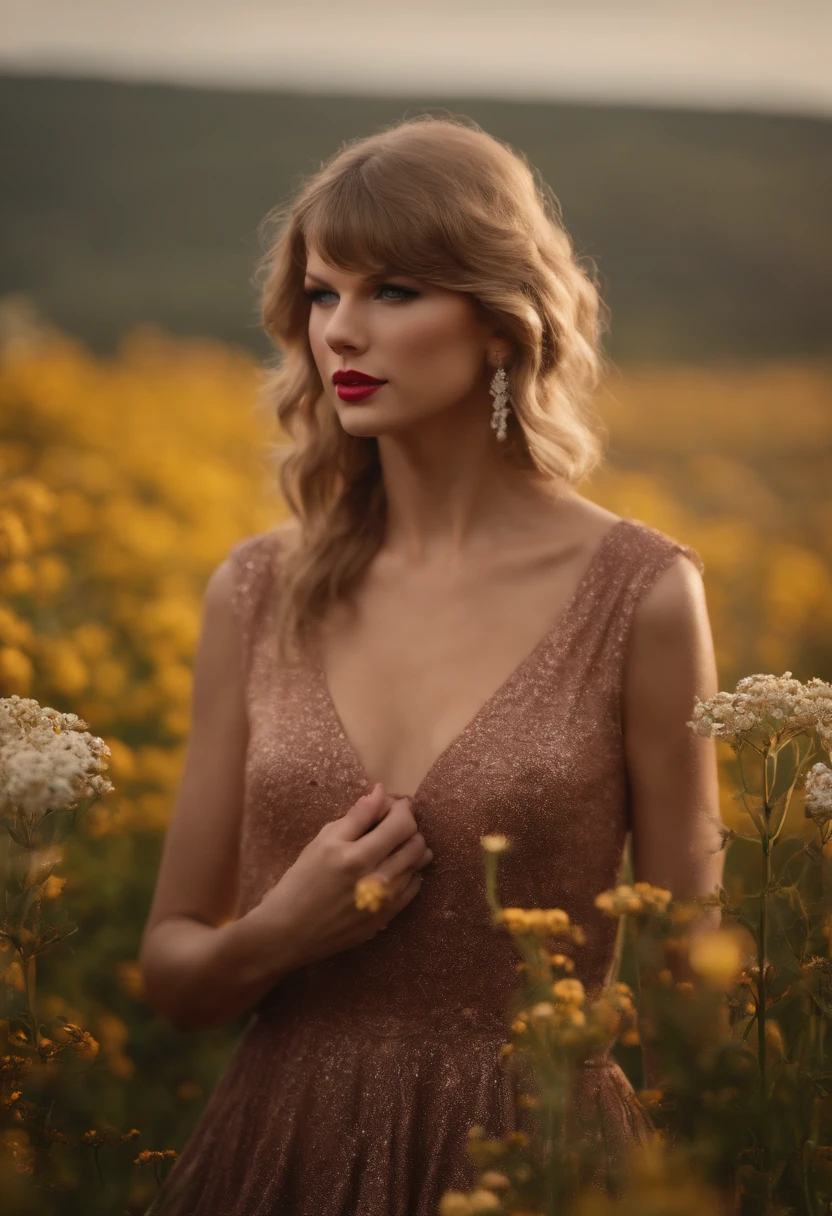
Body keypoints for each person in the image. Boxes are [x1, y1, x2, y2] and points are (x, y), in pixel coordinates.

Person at [138, 114, 724, 1215]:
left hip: (537, 1163)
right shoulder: (255, 591)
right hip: (279, 1152)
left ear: (501, 324)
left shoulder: (642, 594)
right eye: (323, 293)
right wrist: (279, 931)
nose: (341, 334)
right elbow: (171, 975)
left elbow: (699, 985)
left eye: (393, 291)